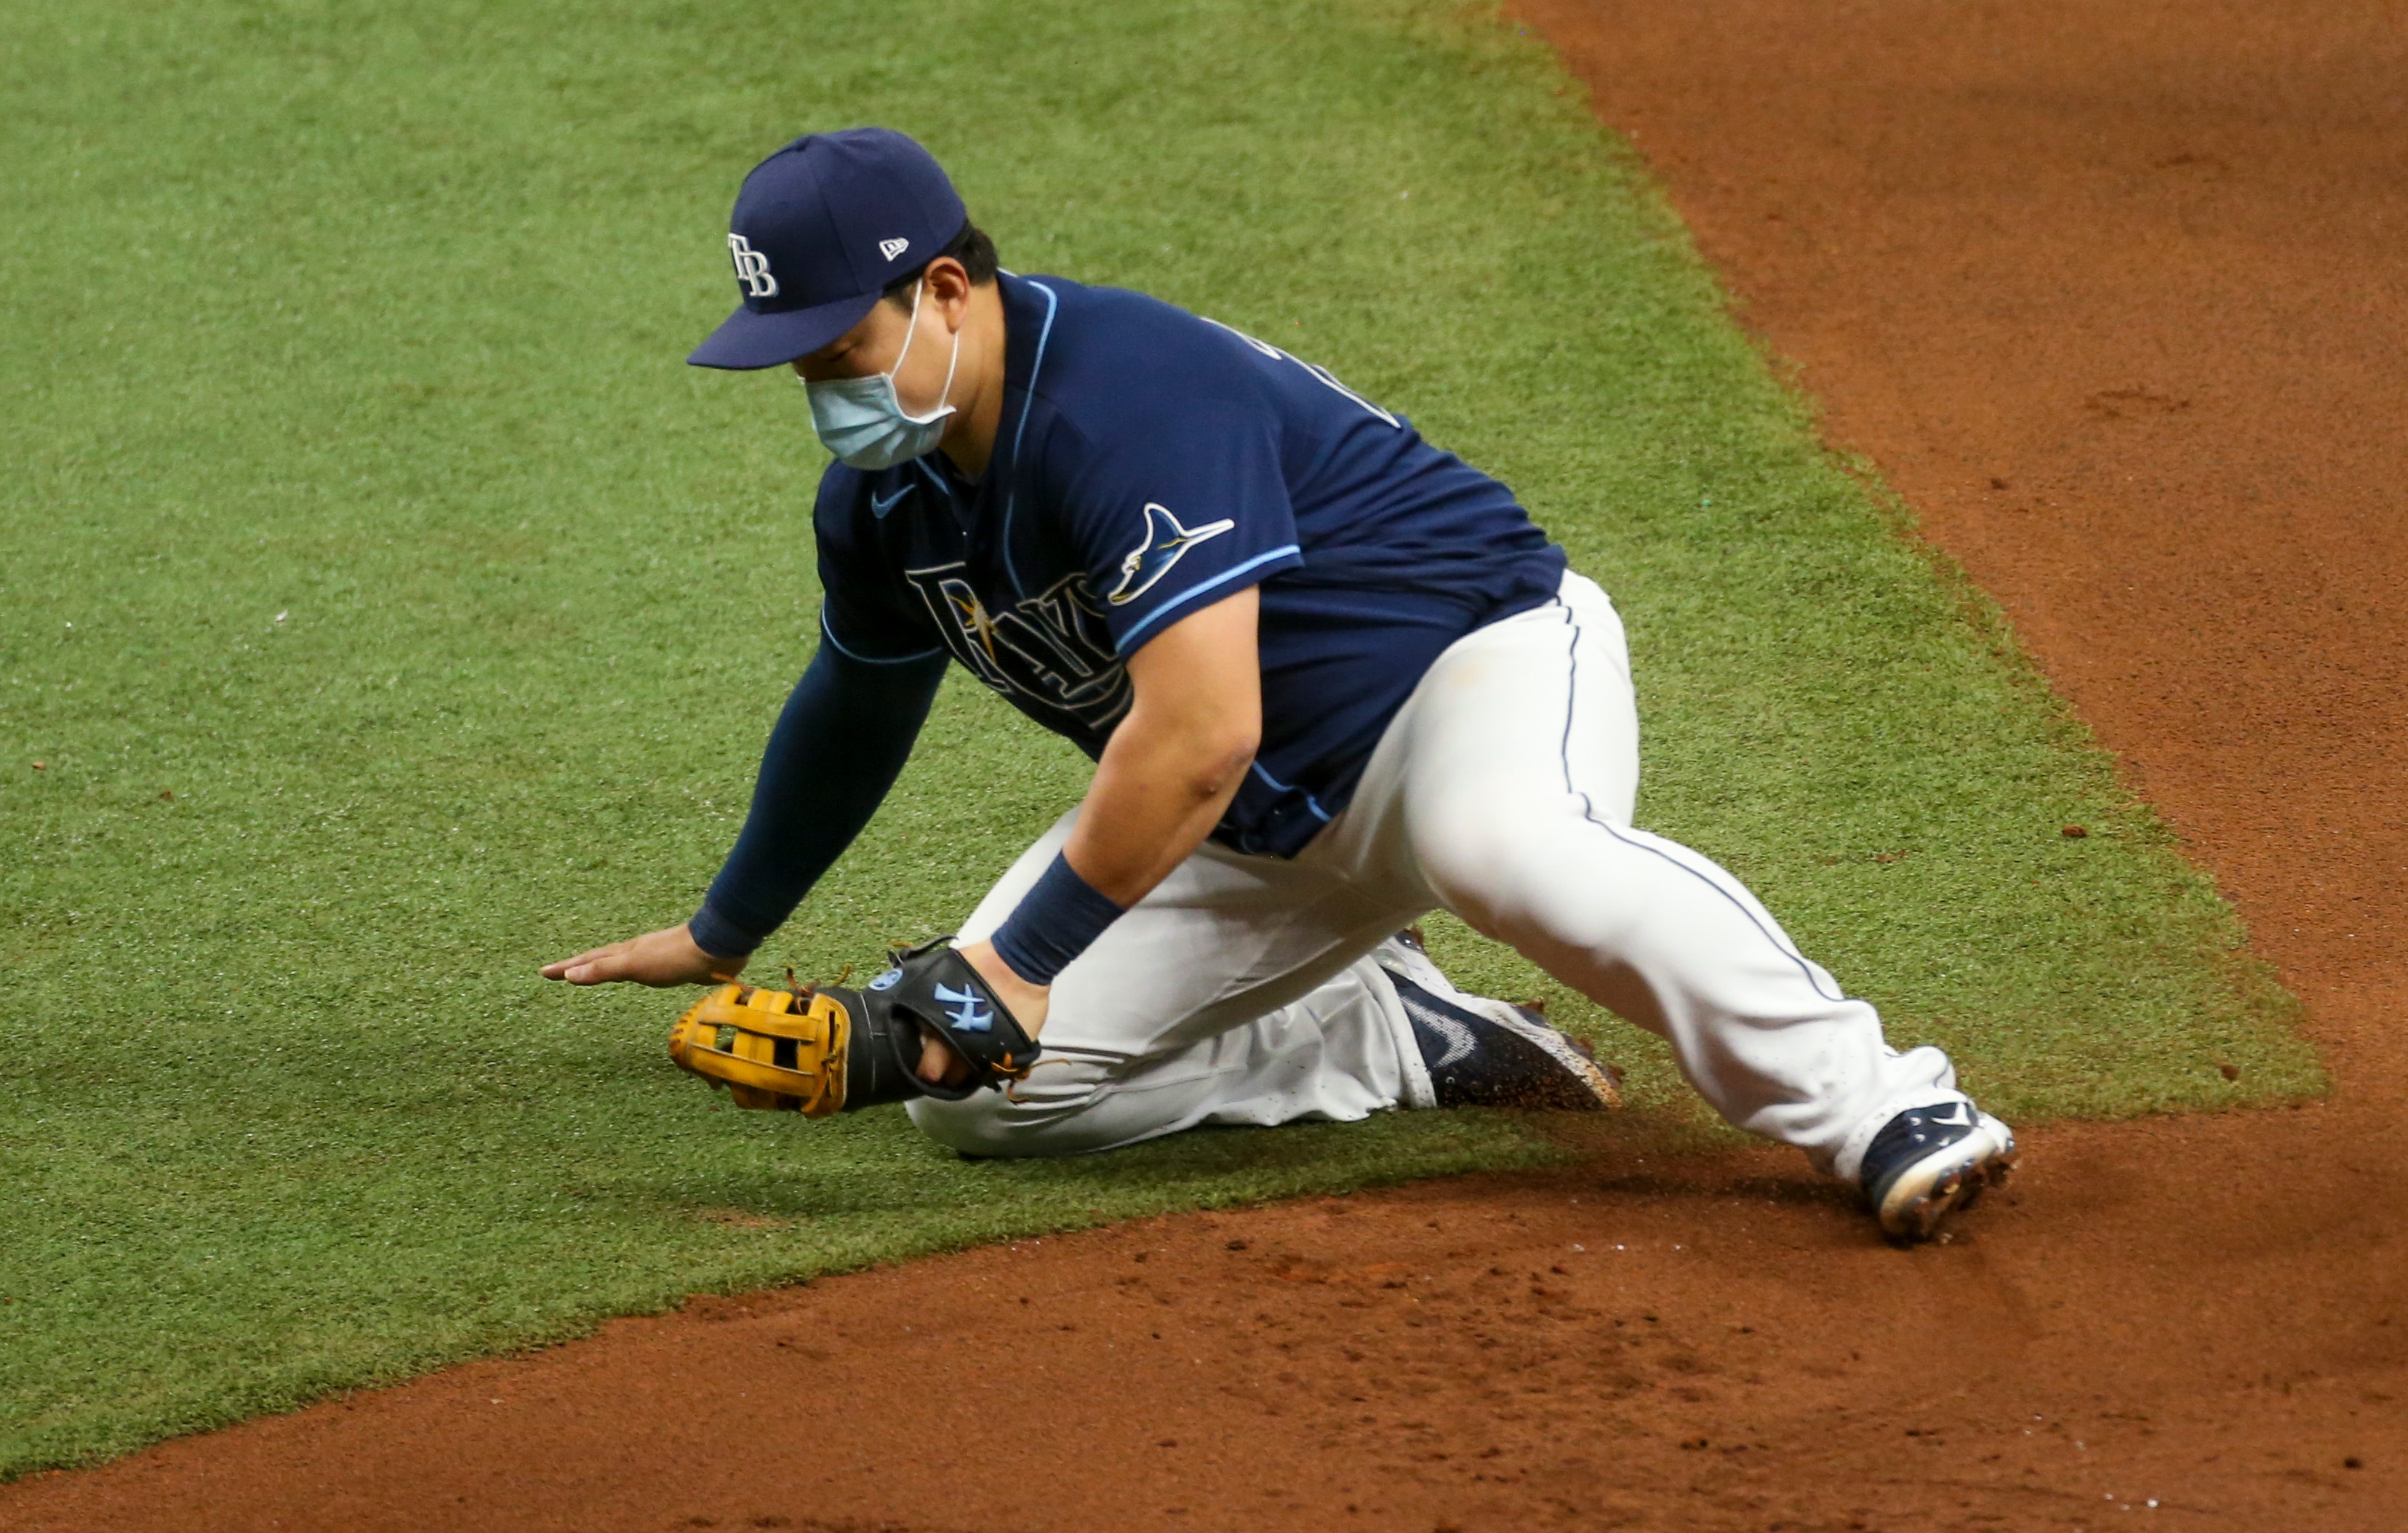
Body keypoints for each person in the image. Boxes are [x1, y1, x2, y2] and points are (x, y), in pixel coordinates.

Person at [540, 127, 2016, 1241]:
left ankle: (1878, 1099)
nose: (825, 395)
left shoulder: (1122, 396)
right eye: (797, 369)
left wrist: (1015, 963)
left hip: (1466, 675)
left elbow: (1194, 731)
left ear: (942, 288)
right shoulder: (884, 498)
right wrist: (725, 925)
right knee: (974, 1097)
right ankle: (1383, 1032)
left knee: (1502, 850)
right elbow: (859, 696)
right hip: (1242, 816)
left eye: (839, 348)